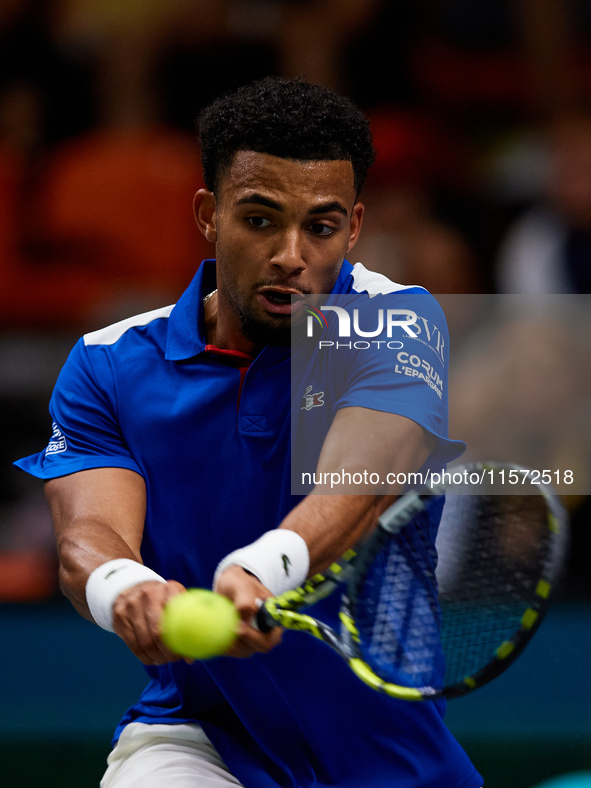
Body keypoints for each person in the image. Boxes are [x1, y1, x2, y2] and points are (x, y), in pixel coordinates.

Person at [15, 77, 482, 788]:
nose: (290, 254)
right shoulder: (109, 363)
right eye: (261, 220)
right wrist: (126, 587)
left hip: (393, 757)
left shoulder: (395, 319)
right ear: (209, 213)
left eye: (319, 228)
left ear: (352, 229)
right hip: (198, 737)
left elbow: (357, 486)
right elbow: (88, 535)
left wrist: (261, 571)